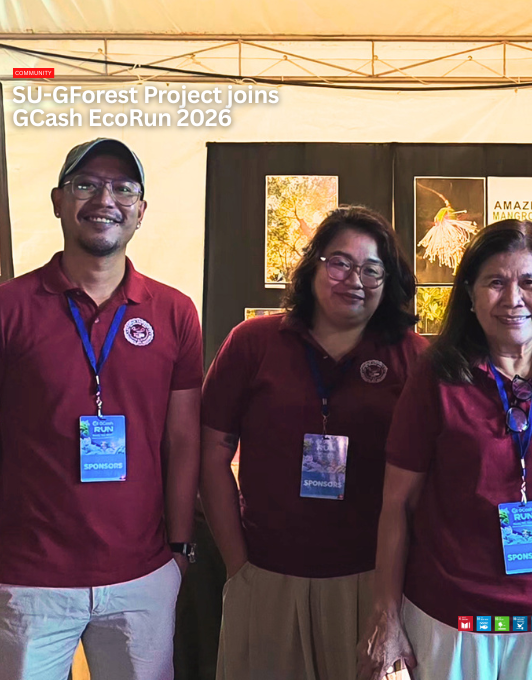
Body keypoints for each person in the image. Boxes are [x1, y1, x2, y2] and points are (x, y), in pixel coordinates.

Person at [0, 138, 202, 680]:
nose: (104, 199)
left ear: (141, 211)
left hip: (142, 575)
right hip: (32, 577)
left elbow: (183, 442)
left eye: (122, 188)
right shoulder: (4, 308)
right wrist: (23, 465)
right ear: (58, 200)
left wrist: (179, 549)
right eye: (86, 184)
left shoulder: (175, 312)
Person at [359, 220, 532, 680]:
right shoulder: (435, 379)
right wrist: (386, 617)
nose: (513, 299)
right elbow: (397, 505)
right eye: (495, 282)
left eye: (529, 282)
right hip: (451, 619)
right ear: (469, 294)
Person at [199, 205, 427, 680]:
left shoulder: (413, 355)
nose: (354, 279)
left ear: (389, 281)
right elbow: (211, 454)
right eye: (340, 262)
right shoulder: (252, 342)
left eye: (372, 268)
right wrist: (238, 564)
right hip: (267, 573)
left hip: (372, 581)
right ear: (314, 264)